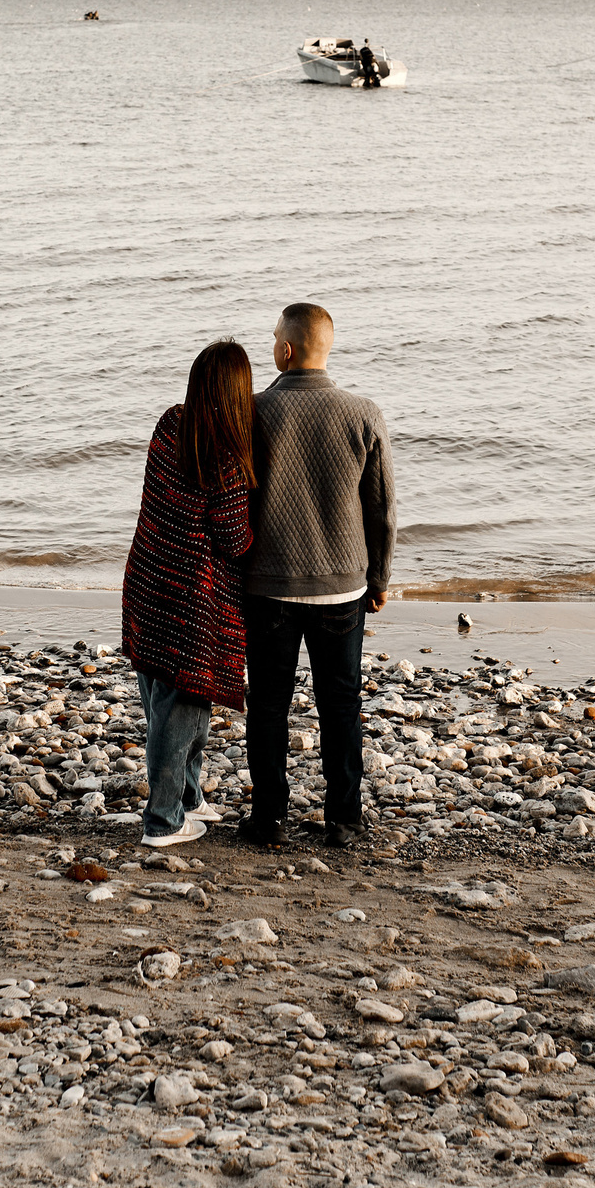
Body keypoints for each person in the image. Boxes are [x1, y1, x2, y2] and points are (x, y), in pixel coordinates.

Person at [239, 303, 395, 850]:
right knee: (341, 704)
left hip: (268, 585)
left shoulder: (253, 412)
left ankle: (268, 819)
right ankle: (344, 819)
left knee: (268, 705)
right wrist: (380, 578)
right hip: (342, 586)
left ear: (286, 350)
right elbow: (381, 508)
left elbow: (235, 501)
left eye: (273, 338)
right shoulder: (363, 413)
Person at [119, 340, 258, 849]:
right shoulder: (226, 456)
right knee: (179, 715)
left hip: (148, 577)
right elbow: (235, 539)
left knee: (166, 702)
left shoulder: (170, 423)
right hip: (192, 602)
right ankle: (163, 821)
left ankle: (190, 797)